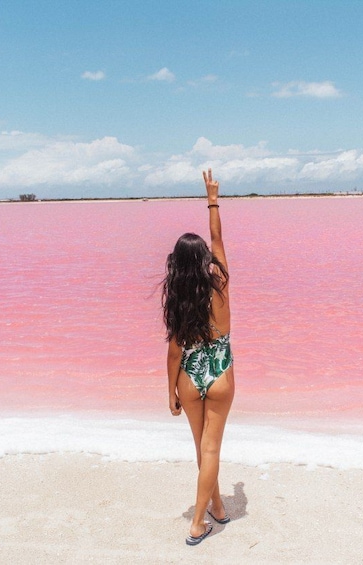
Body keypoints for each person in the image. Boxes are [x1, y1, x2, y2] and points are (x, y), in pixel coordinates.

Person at [162, 169, 234, 546]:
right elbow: (219, 237)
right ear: (205, 259)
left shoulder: (179, 300)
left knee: (201, 448)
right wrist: (212, 199)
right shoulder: (219, 282)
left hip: (189, 376)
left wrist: (169, 391)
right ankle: (197, 523)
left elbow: (174, 351)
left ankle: (218, 508)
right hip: (220, 371)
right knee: (212, 448)